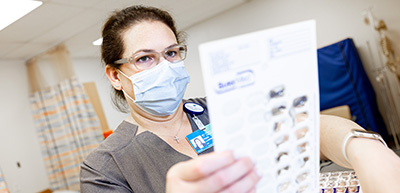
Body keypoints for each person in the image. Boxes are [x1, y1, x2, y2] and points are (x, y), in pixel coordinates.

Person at [80, 5, 400, 193]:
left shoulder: (221, 108)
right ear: (114, 76)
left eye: (171, 53)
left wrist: (359, 145)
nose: (164, 68)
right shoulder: (105, 166)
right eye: (145, 59)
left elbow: (307, 129)